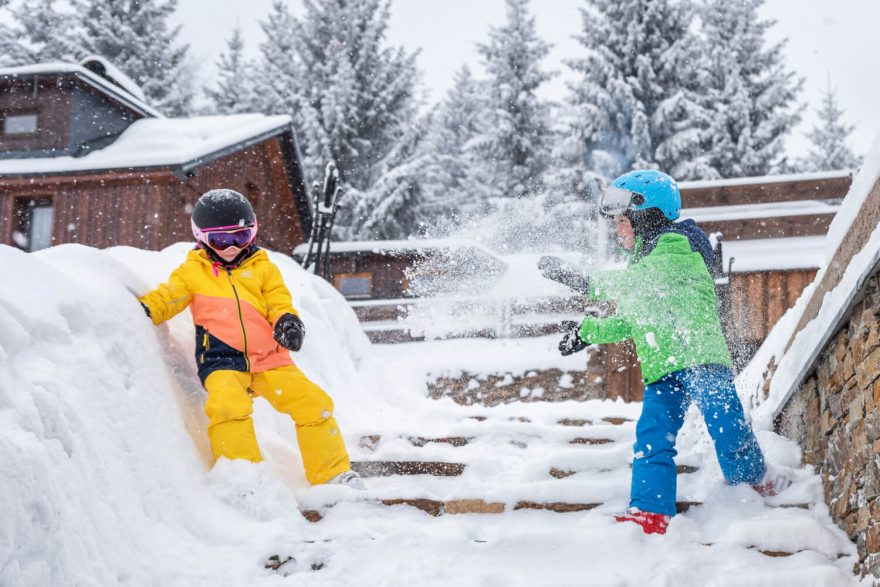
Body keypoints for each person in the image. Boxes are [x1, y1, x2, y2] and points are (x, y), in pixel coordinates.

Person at [540, 170, 781, 535]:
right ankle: (651, 510)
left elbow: (641, 282)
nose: (619, 230)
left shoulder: (678, 246)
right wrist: (586, 332)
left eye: (623, 221)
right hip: (662, 368)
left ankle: (753, 485)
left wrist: (583, 280)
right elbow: (630, 319)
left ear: (646, 213)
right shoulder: (640, 264)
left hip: (700, 358)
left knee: (725, 424)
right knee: (652, 438)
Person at [138, 188, 363, 489]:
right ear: (202, 238)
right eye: (221, 240)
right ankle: (244, 477)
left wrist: (287, 322)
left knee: (313, 403)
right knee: (228, 406)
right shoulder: (192, 273)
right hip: (221, 359)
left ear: (252, 234)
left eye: (240, 238)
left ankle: (332, 474)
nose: (231, 247)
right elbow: (168, 298)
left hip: (269, 357)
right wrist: (144, 309)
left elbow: (279, 302)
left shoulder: (262, 269)